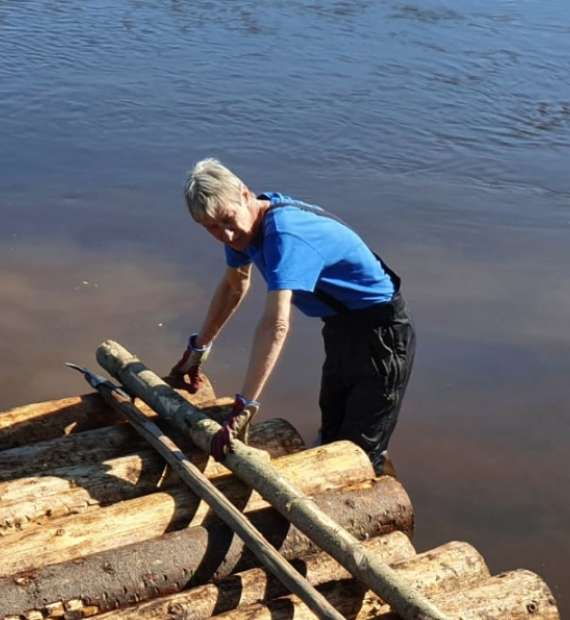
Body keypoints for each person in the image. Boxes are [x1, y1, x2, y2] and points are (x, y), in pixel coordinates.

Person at [170, 158, 415, 476]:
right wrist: (198, 349)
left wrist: (244, 406)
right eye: (212, 228)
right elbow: (234, 286)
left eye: (227, 220)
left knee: (360, 449)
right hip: (341, 327)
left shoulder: (285, 236)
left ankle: (375, 508)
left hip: (382, 332)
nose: (226, 235)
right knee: (333, 427)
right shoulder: (247, 229)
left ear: (245, 194)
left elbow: (276, 323)